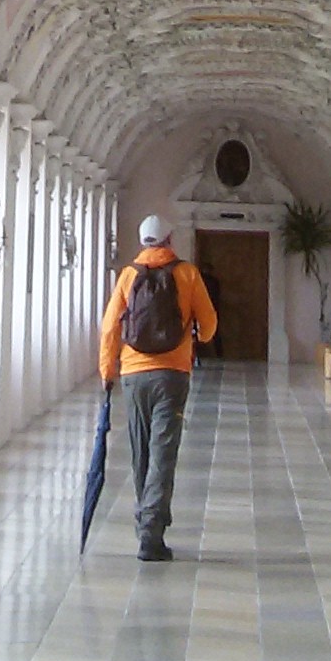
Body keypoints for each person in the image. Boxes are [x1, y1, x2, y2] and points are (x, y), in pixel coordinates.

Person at [99, 213, 217, 561]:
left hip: (133, 375)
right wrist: (196, 336)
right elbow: (209, 324)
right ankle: (151, 530)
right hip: (172, 374)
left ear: (142, 242)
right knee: (163, 451)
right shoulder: (187, 274)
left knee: (141, 450)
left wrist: (107, 370)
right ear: (169, 240)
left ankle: (145, 520)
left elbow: (110, 327)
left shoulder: (128, 275)